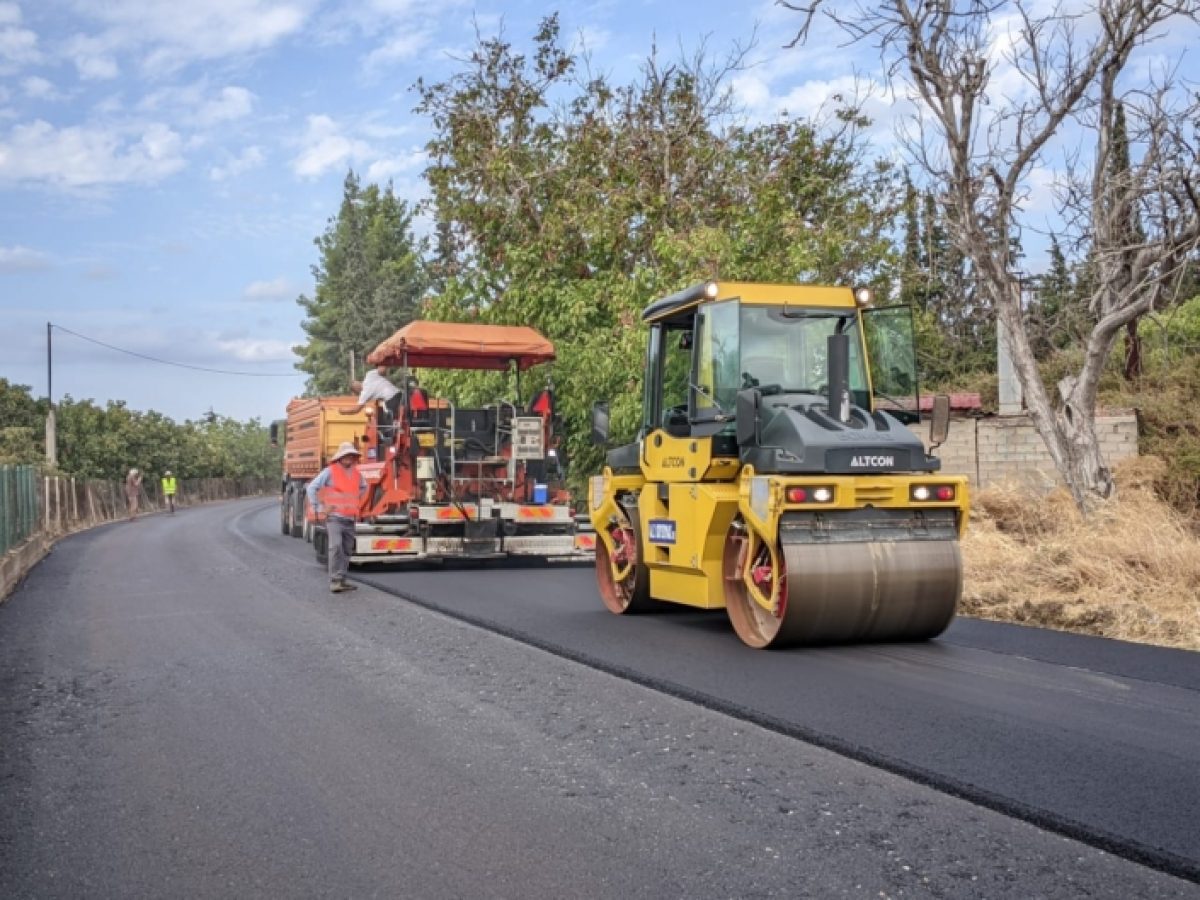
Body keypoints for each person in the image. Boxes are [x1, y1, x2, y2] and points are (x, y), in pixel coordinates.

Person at [306, 441, 368, 594]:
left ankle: (342, 579)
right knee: (336, 546)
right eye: (347, 456)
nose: (350, 459)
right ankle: (335, 580)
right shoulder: (329, 471)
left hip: (349, 518)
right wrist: (320, 507)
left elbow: (364, 487)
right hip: (334, 517)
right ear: (340, 457)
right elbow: (312, 487)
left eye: (352, 456)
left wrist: (354, 500)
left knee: (347, 549)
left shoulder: (356, 474)